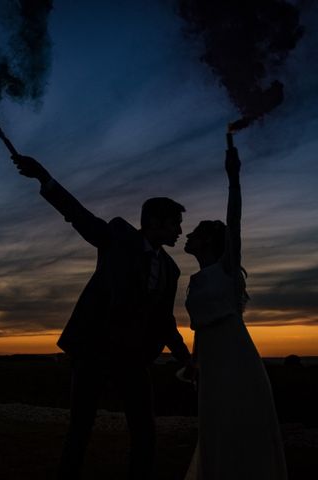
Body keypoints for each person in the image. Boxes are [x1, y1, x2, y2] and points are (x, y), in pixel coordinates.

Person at [11, 153, 192, 480]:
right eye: (175, 224)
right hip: (94, 351)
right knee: (80, 428)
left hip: (133, 360)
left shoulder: (171, 269)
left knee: (144, 430)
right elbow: (78, 215)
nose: (180, 231)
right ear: (154, 222)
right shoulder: (119, 236)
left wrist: (187, 361)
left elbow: (165, 322)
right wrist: (44, 177)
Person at [183, 139, 287, 479]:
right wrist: (195, 363)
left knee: (240, 426)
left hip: (235, 355)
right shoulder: (195, 280)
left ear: (210, 242)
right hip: (211, 361)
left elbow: (235, 220)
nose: (188, 235)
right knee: (214, 427)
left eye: (196, 232)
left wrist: (233, 178)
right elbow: (199, 326)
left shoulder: (226, 269)